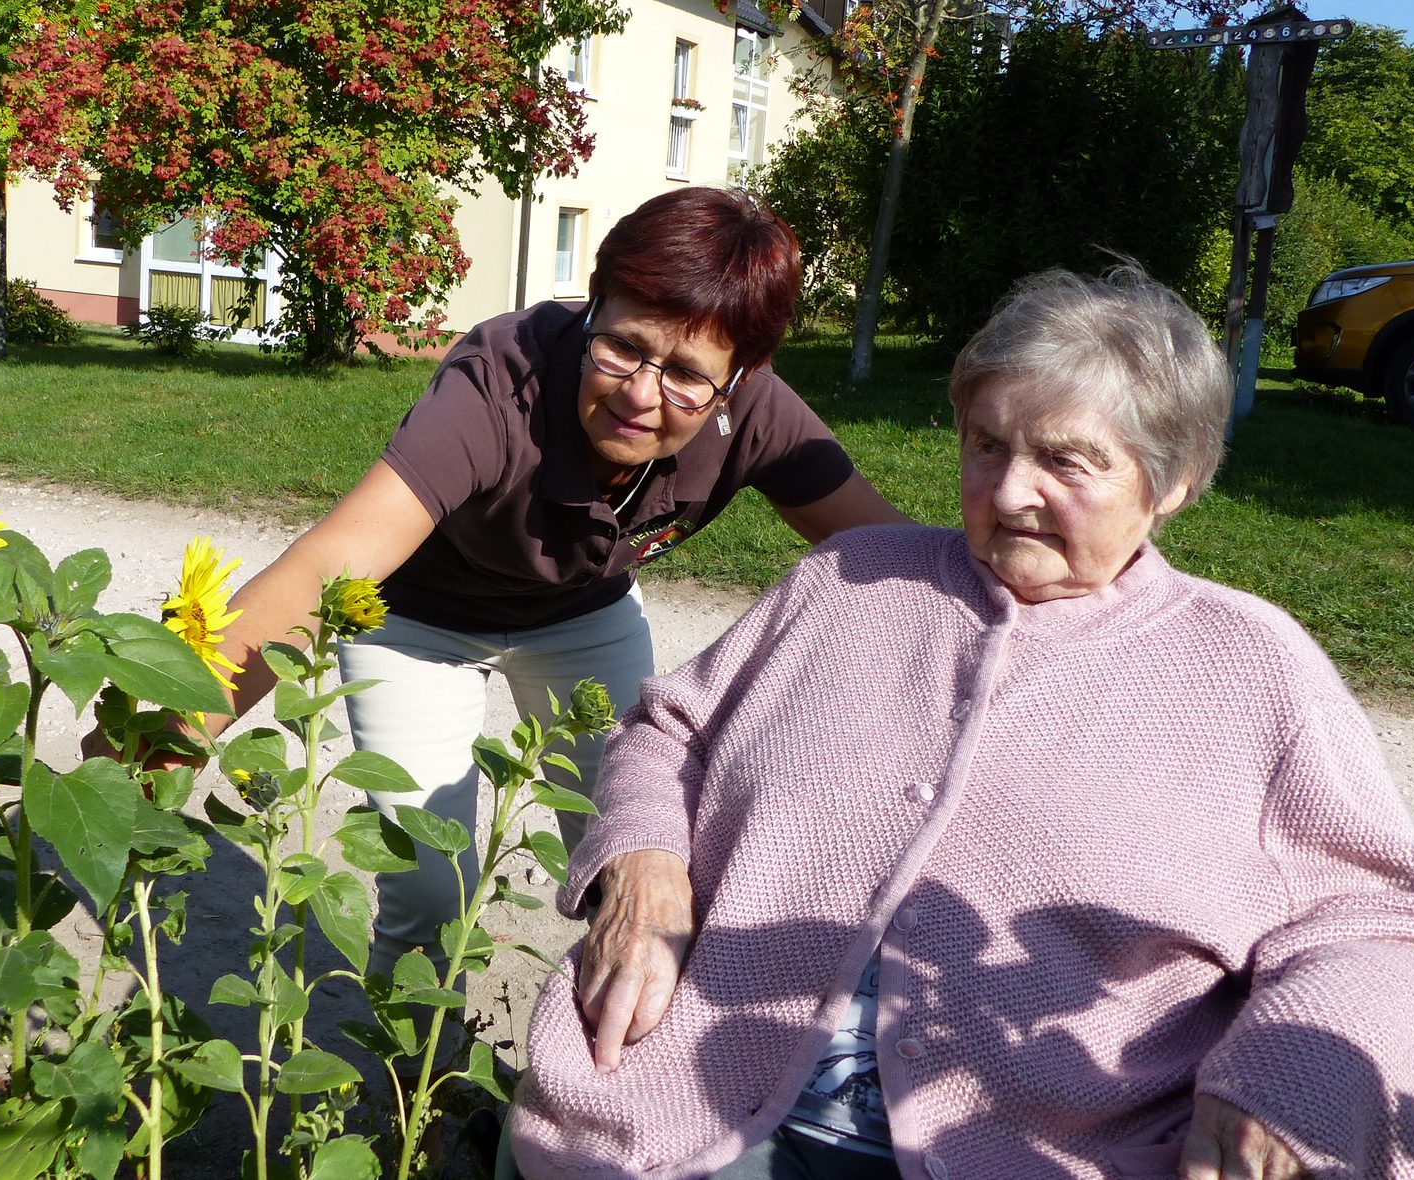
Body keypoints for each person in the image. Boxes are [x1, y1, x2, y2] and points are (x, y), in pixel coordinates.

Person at [509, 265, 1414, 1180]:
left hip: (1032, 1146)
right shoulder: (848, 583)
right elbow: (670, 730)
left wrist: (1287, 1083)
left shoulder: (1247, 667)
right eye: (988, 444)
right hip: (681, 1106)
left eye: (1065, 460)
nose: (1009, 489)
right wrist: (642, 861)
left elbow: (1398, 927)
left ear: (1173, 482)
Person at [188, 187, 908, 972]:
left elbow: (895, 556)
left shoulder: (757, 414)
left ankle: (608, 1080)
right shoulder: (501, 377)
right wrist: (169, 728)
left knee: (641, 863)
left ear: (738, 380)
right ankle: (409, 1083)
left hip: (582, 620)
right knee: (431, 885)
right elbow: (330, 566)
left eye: (686, 377)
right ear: (594, 305)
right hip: (417, 627)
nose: (640, 394)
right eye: (623, 347)